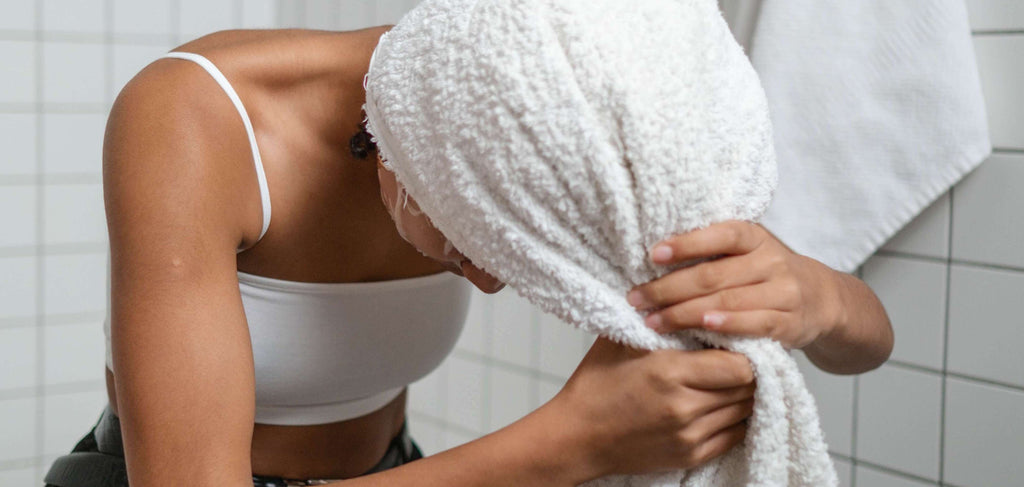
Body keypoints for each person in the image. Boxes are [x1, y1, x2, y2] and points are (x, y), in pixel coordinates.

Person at [43, 22, 893, 487]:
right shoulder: (197, 121)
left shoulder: (543, 121)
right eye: (467, 242)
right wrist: (571, 442)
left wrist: (817, 296)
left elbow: (867, 345)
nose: (490, 278)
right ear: (402, 152)